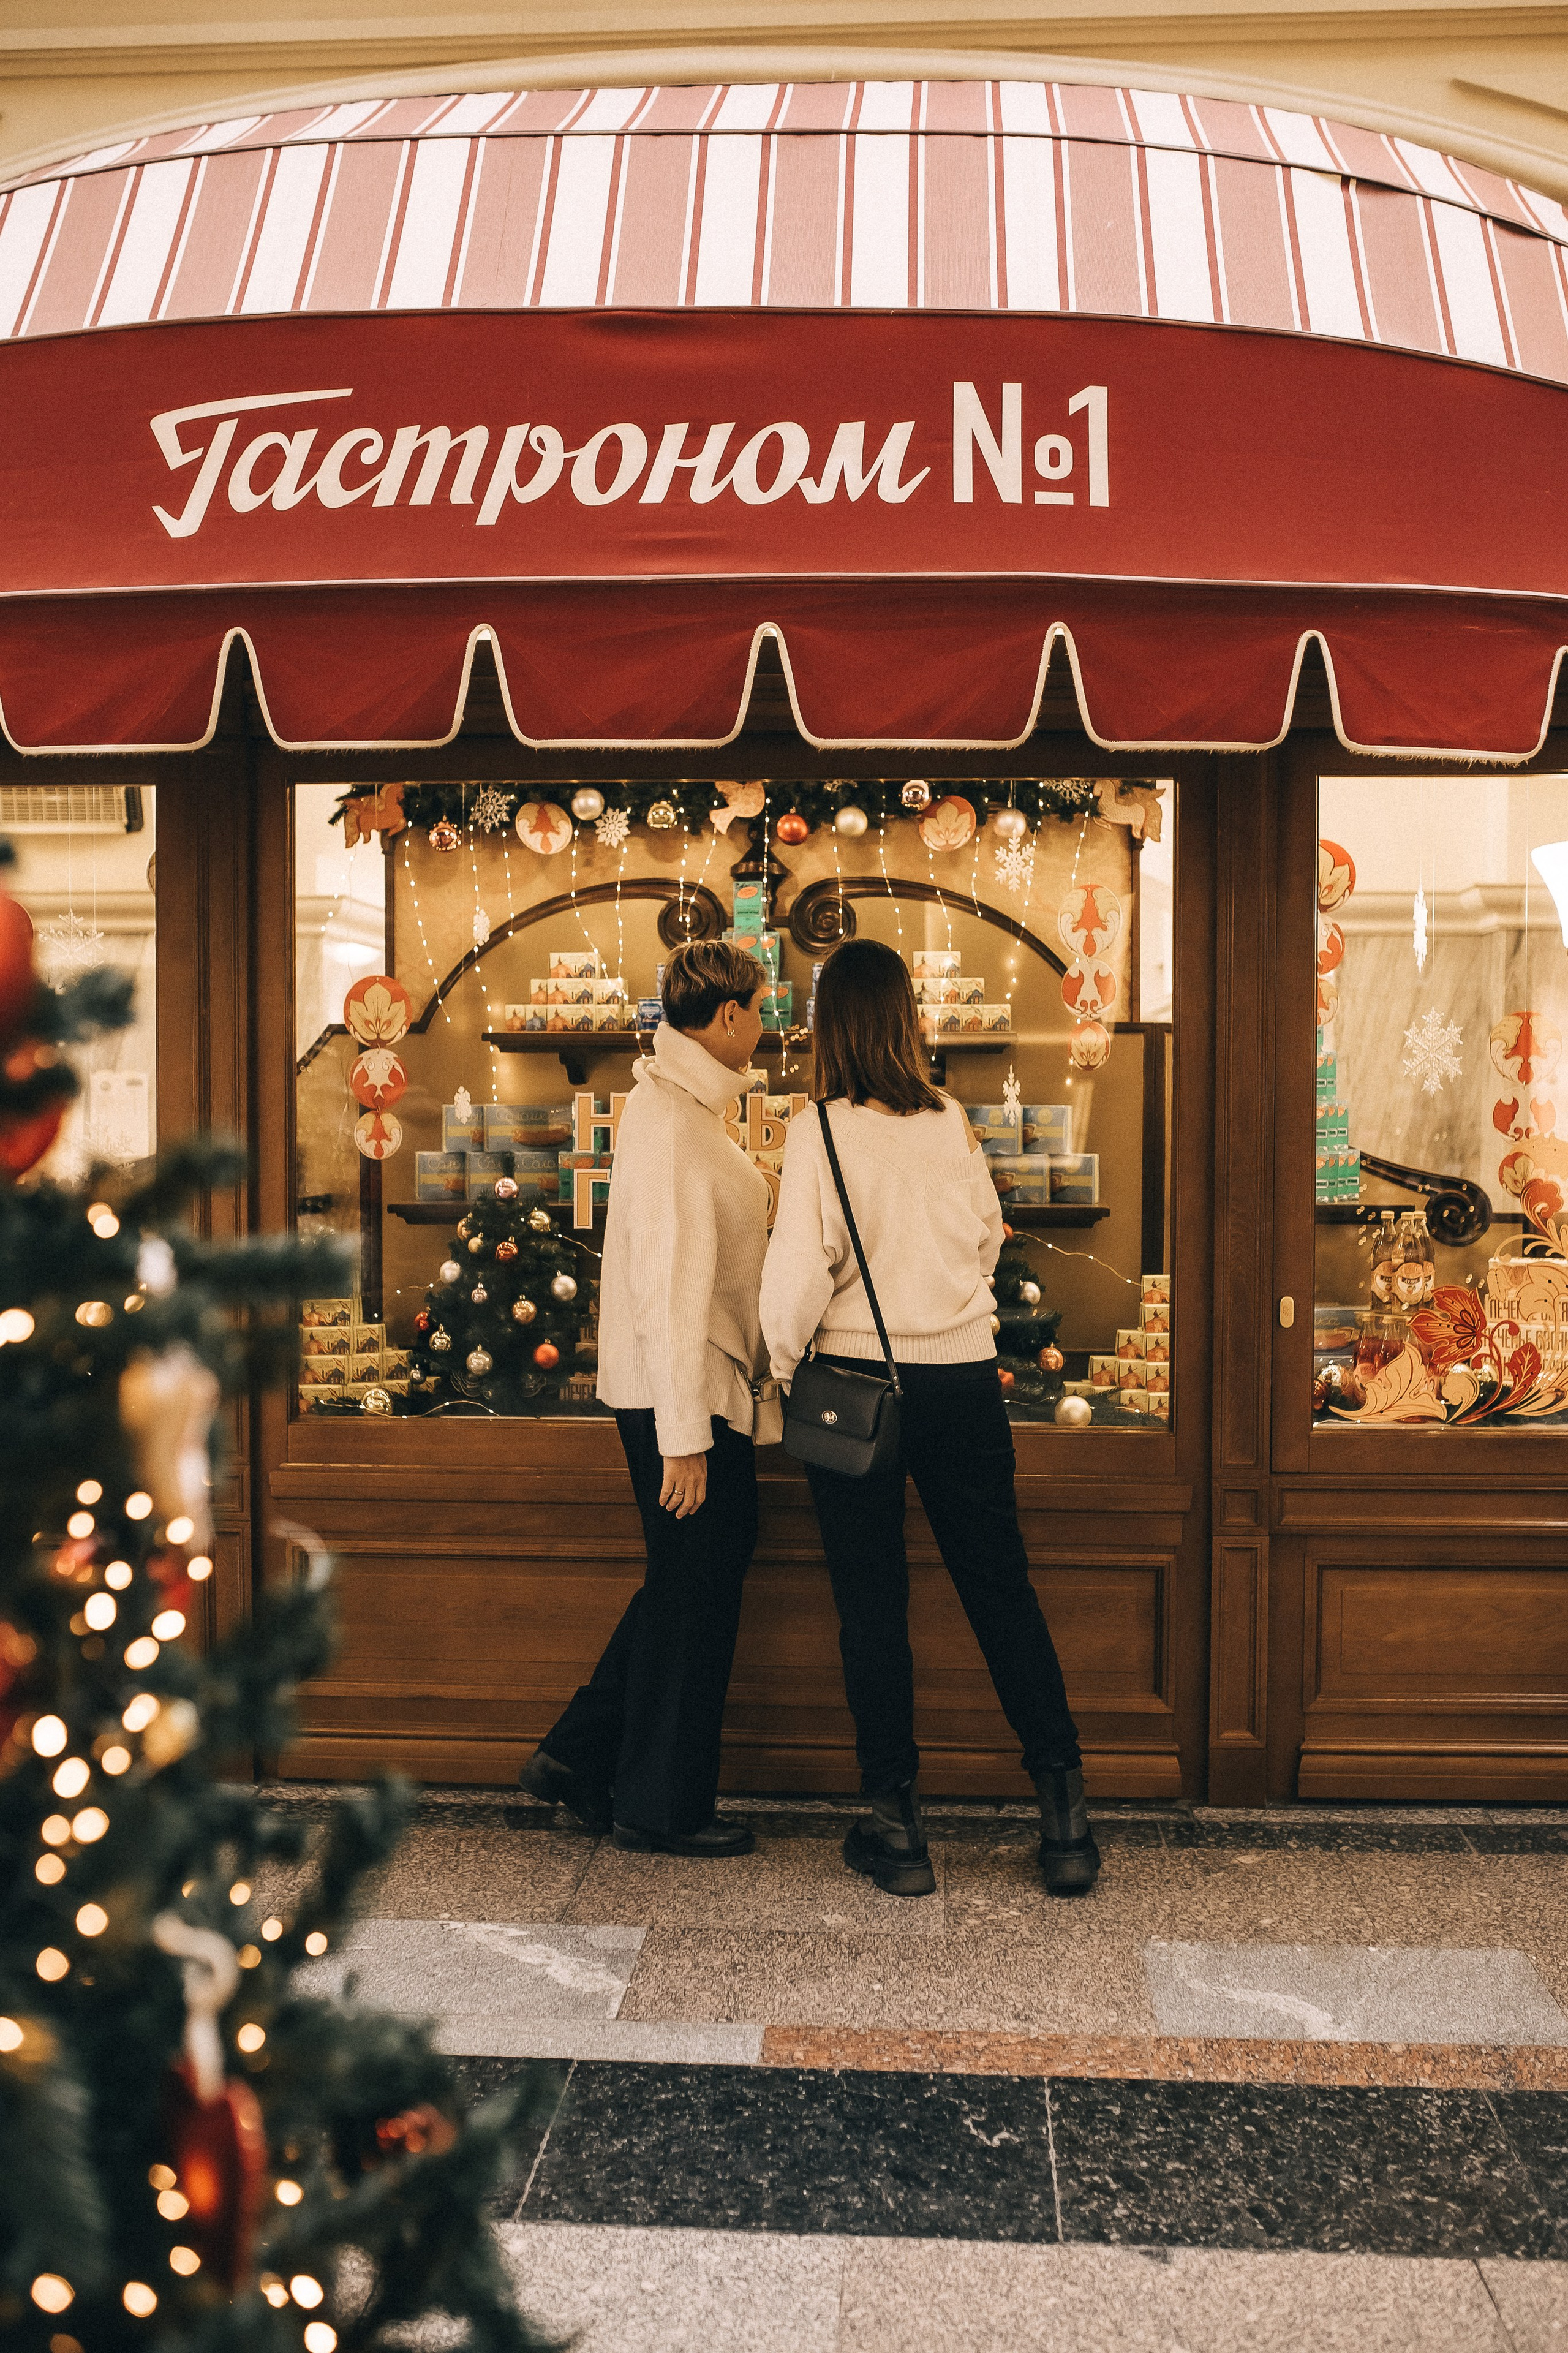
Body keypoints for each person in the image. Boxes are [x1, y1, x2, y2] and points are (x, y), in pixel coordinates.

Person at [760, 936, 1097, 1898]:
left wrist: (780, 1367)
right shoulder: (950, 1118)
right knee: (1002, 1591)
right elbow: (987, 1234)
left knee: (873, 1606)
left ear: (831, 1028)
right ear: (907, 1021)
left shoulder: (817, 1129)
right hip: (961, 1381)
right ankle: (1064, 1815)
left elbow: (795, 1275)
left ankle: (896, 1827)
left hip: (856, 1384)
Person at [518, 938, 775, 1857]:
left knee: (687, 1582)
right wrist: (684, 1438)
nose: (767, 1021)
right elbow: (668, 1287)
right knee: (696, 1589)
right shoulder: (671, 1124)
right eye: (760, 1006)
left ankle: (579, 1757)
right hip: (686, 1398)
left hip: (695, 1392)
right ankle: (660, 1805)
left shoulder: (682, 1110)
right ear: (728, 1016)